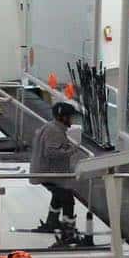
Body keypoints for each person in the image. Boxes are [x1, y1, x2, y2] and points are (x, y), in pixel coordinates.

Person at [30, 101, 82, 235]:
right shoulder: (54, 130)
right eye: (70, 117)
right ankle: (68, 230)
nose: (72, 120)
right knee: (67, 198)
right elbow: (51, 152)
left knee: (59, 195)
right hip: (47, 173)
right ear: (63, 117)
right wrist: (72, 150)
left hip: (47, 172)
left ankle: (52, 222)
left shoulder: (52, 127)